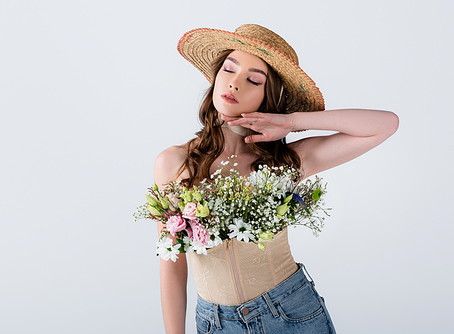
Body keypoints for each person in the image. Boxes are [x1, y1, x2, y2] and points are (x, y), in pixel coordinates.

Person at [154, 24, 399, 334]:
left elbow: (385, 124)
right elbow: (172, 263)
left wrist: (293, 122)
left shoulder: (285, 162)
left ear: (267, 96)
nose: (235, 84)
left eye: (253, 79)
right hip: (216, 323)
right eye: (229, 70)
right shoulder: (174, 164)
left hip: (291, 314)